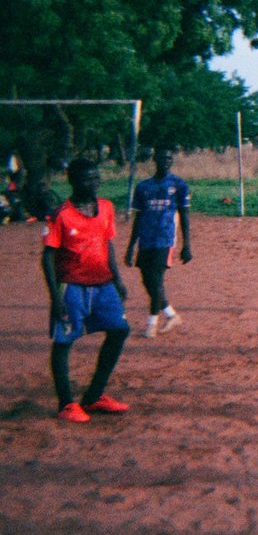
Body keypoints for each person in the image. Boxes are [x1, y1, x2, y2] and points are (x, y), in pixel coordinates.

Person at [43, 158, 132, 423]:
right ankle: (66, 404)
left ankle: (93, 396)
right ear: (73, 181)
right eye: (87, 179)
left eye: (97, 178)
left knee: (120, 330)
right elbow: (47, 257)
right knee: (63, 342)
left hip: (103, 285)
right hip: (72, 287)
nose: (95, 183)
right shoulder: (60, 215)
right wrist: (55, 297)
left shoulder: (105, 208)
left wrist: (117, 279)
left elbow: (108, 244)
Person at [124, 146, 192, 338]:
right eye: (163, 158)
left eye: (170, 159)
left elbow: (185, 216)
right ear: (155, 160)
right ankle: (171, 315)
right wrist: (130, 247)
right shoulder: (143, 187)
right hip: (146, 240)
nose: (166, 162)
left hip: (165, 239)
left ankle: (151, 324)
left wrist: (187, 245)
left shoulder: (178, 185)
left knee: (156, 279)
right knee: (147, 281)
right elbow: (138, 218)